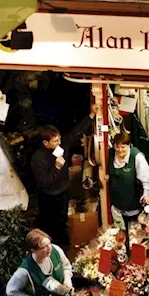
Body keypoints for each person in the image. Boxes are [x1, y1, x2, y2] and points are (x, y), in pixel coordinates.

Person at [31, 104, 97, 245]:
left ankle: (63, 246)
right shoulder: (38, 159)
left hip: (63, 192)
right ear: (45, 143)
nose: (59, 143)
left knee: (61, 221)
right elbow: (45, 182)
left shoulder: (62, 146)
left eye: (59, 139)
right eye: (55, 141)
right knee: (50, 225)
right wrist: (56, 167)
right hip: (48, 196)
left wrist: (91, 115)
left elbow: (75, 133)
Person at [108, 131, 149, 238]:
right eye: (117, 147)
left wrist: (147, 193)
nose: (119, 150)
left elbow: (146, 179)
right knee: (120, 238)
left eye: (123, 147)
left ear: (129, 145)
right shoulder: (110, 154)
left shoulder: (136, 156)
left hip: (133, 206)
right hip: (117, 208)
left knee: (134, 237)